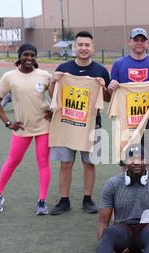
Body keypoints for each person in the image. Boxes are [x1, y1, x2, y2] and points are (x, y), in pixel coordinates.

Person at [48, 31, 111, 215]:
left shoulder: (100, 70)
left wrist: (103, 87)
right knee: (65, 163)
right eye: (80, 45)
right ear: (75, 47)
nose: (83, 48)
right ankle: (64, 200)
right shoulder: (63, 68)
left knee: (89, 163)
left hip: (91, 125)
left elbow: (107, 98)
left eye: (87, 45)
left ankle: (87, 198)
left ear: (93, 48)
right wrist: (53, 82)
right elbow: (53, 96)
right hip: (66, 124)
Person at [0, 43, 52, 215]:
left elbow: (58, 94)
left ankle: (42, 201)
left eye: (32, 55)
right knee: (12, 161)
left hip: (43, 127)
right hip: (21, 127)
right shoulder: (9, 76)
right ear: (19, 56)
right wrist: (7, 123)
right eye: (26, 54)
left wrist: (54, 110)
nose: (29, 58)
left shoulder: (45, 75)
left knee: (43, 162)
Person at [108, 27, 149, 172]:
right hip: (126, 122)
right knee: (126, 160)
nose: (139, 43)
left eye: (142, 40)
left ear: (147, 43)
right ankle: (126, 191)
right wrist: (110, 87)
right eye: (136, 40)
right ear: (129, 42)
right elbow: (112, 96)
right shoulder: (119, 65)